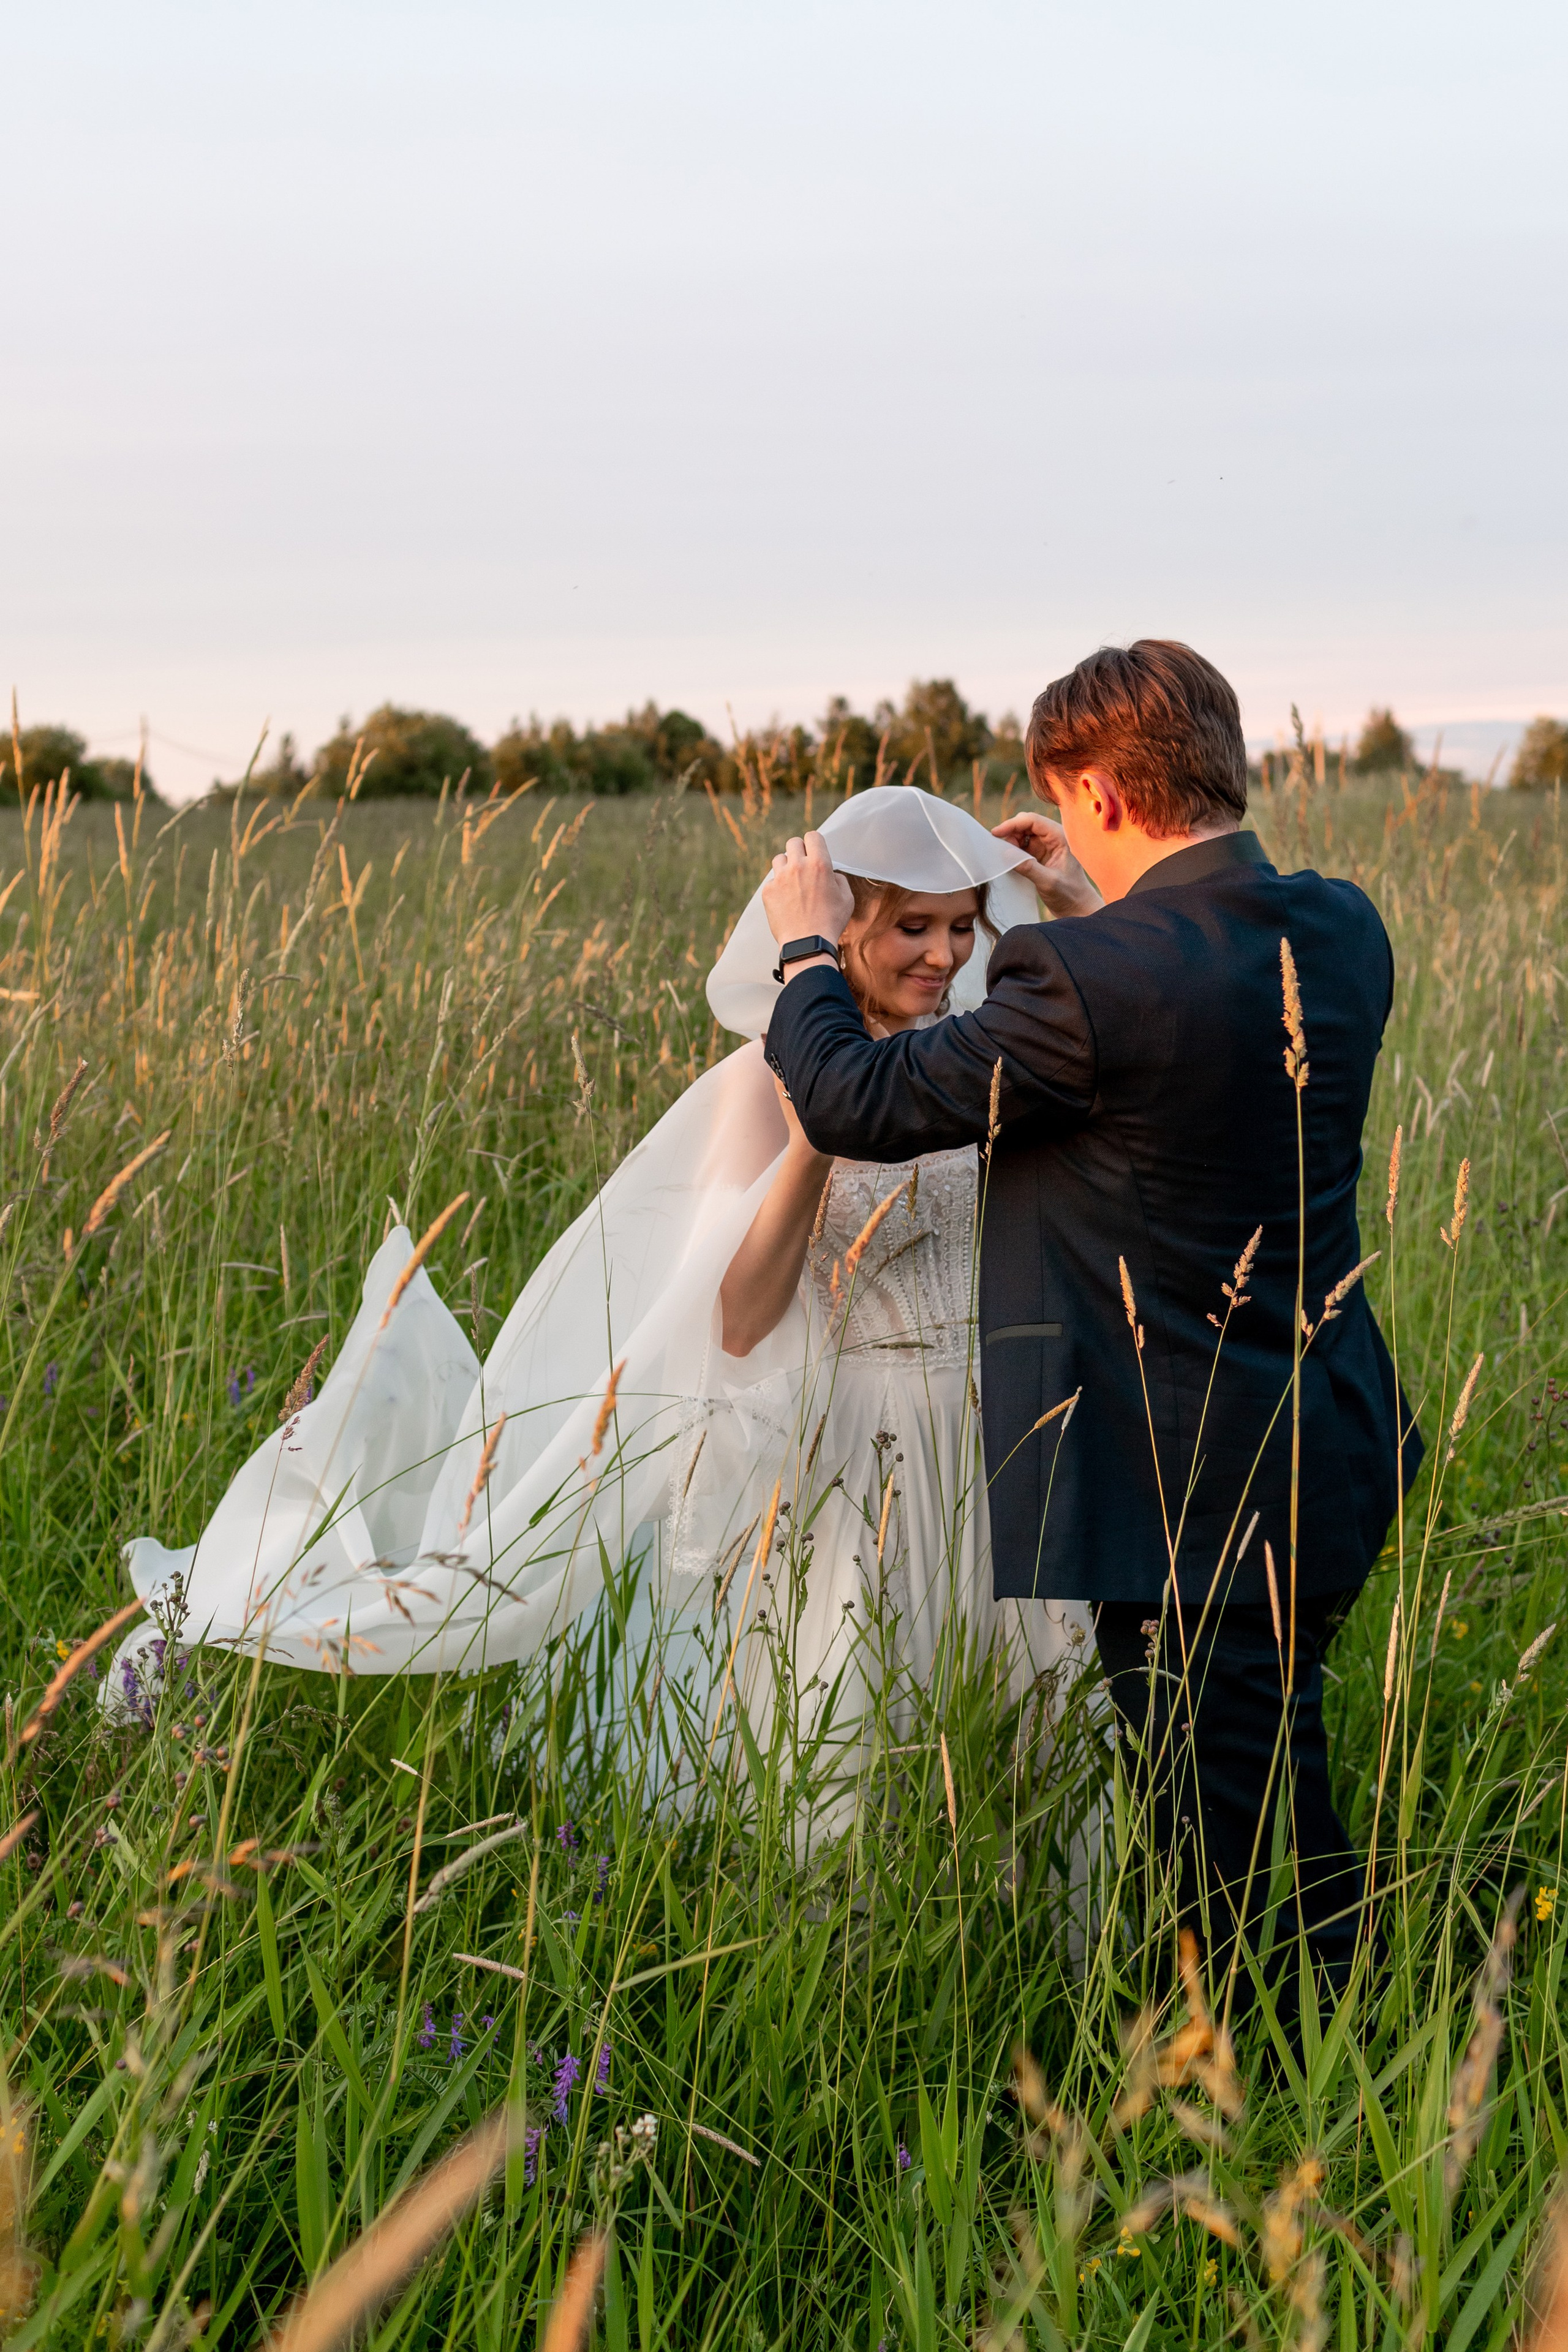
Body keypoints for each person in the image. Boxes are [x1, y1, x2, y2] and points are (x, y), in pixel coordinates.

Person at [115, 789, 1090, 1792]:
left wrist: (1076, 903)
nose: (943, 955)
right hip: (860, 1456)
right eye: (912, 928)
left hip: (988, 1440)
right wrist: (811, 1152)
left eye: (964, 927)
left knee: (1005, 1748)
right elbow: (741, 1322)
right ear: (837, 931)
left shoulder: (968, 1060)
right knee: (855, 1737)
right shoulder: (769, 1083)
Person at [761, 639, 1422, 1991]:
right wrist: (1081, 920)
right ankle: (1326, 2026)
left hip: (1186, 1493)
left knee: (1229, 1853)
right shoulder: (1343, 926)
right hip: (1331, 1443)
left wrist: (796, 954)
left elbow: (853, 1101)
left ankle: (1291, 2095)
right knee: (1265, 1782)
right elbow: (1187, 1033)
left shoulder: (1080, 983)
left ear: (1100, 798)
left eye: (1061, 807)